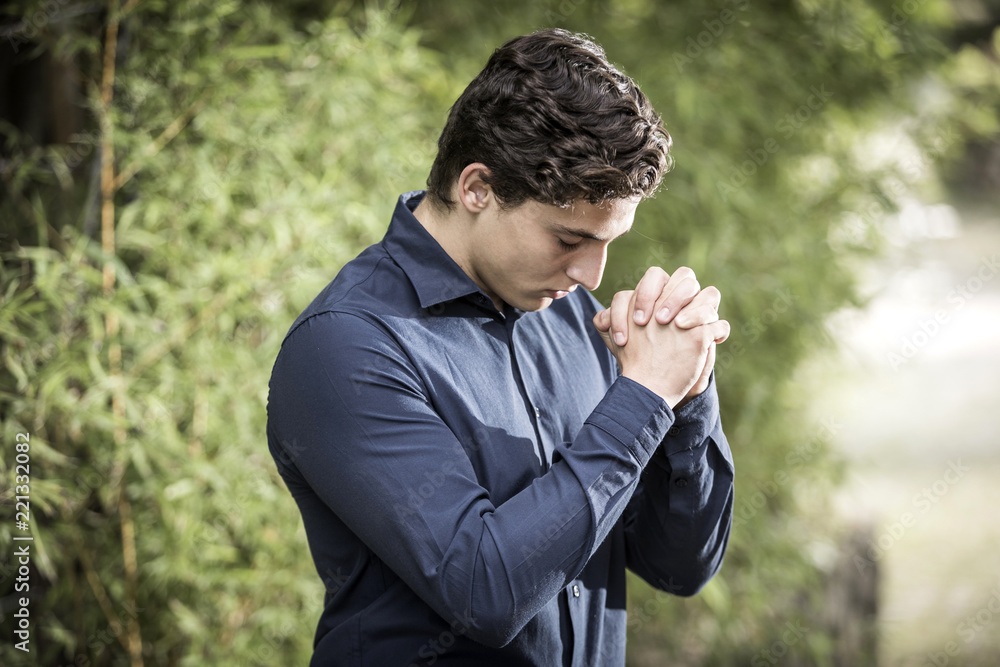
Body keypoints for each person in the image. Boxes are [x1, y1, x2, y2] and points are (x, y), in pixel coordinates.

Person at [267, 28, 734, 666]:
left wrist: (688, 396)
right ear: (478, 188)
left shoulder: (572, 318)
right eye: (569, 240)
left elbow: (680, 569)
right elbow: (485, 591)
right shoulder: (346, 348)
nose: (591, 277)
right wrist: (644, 395)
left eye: (608, 243)